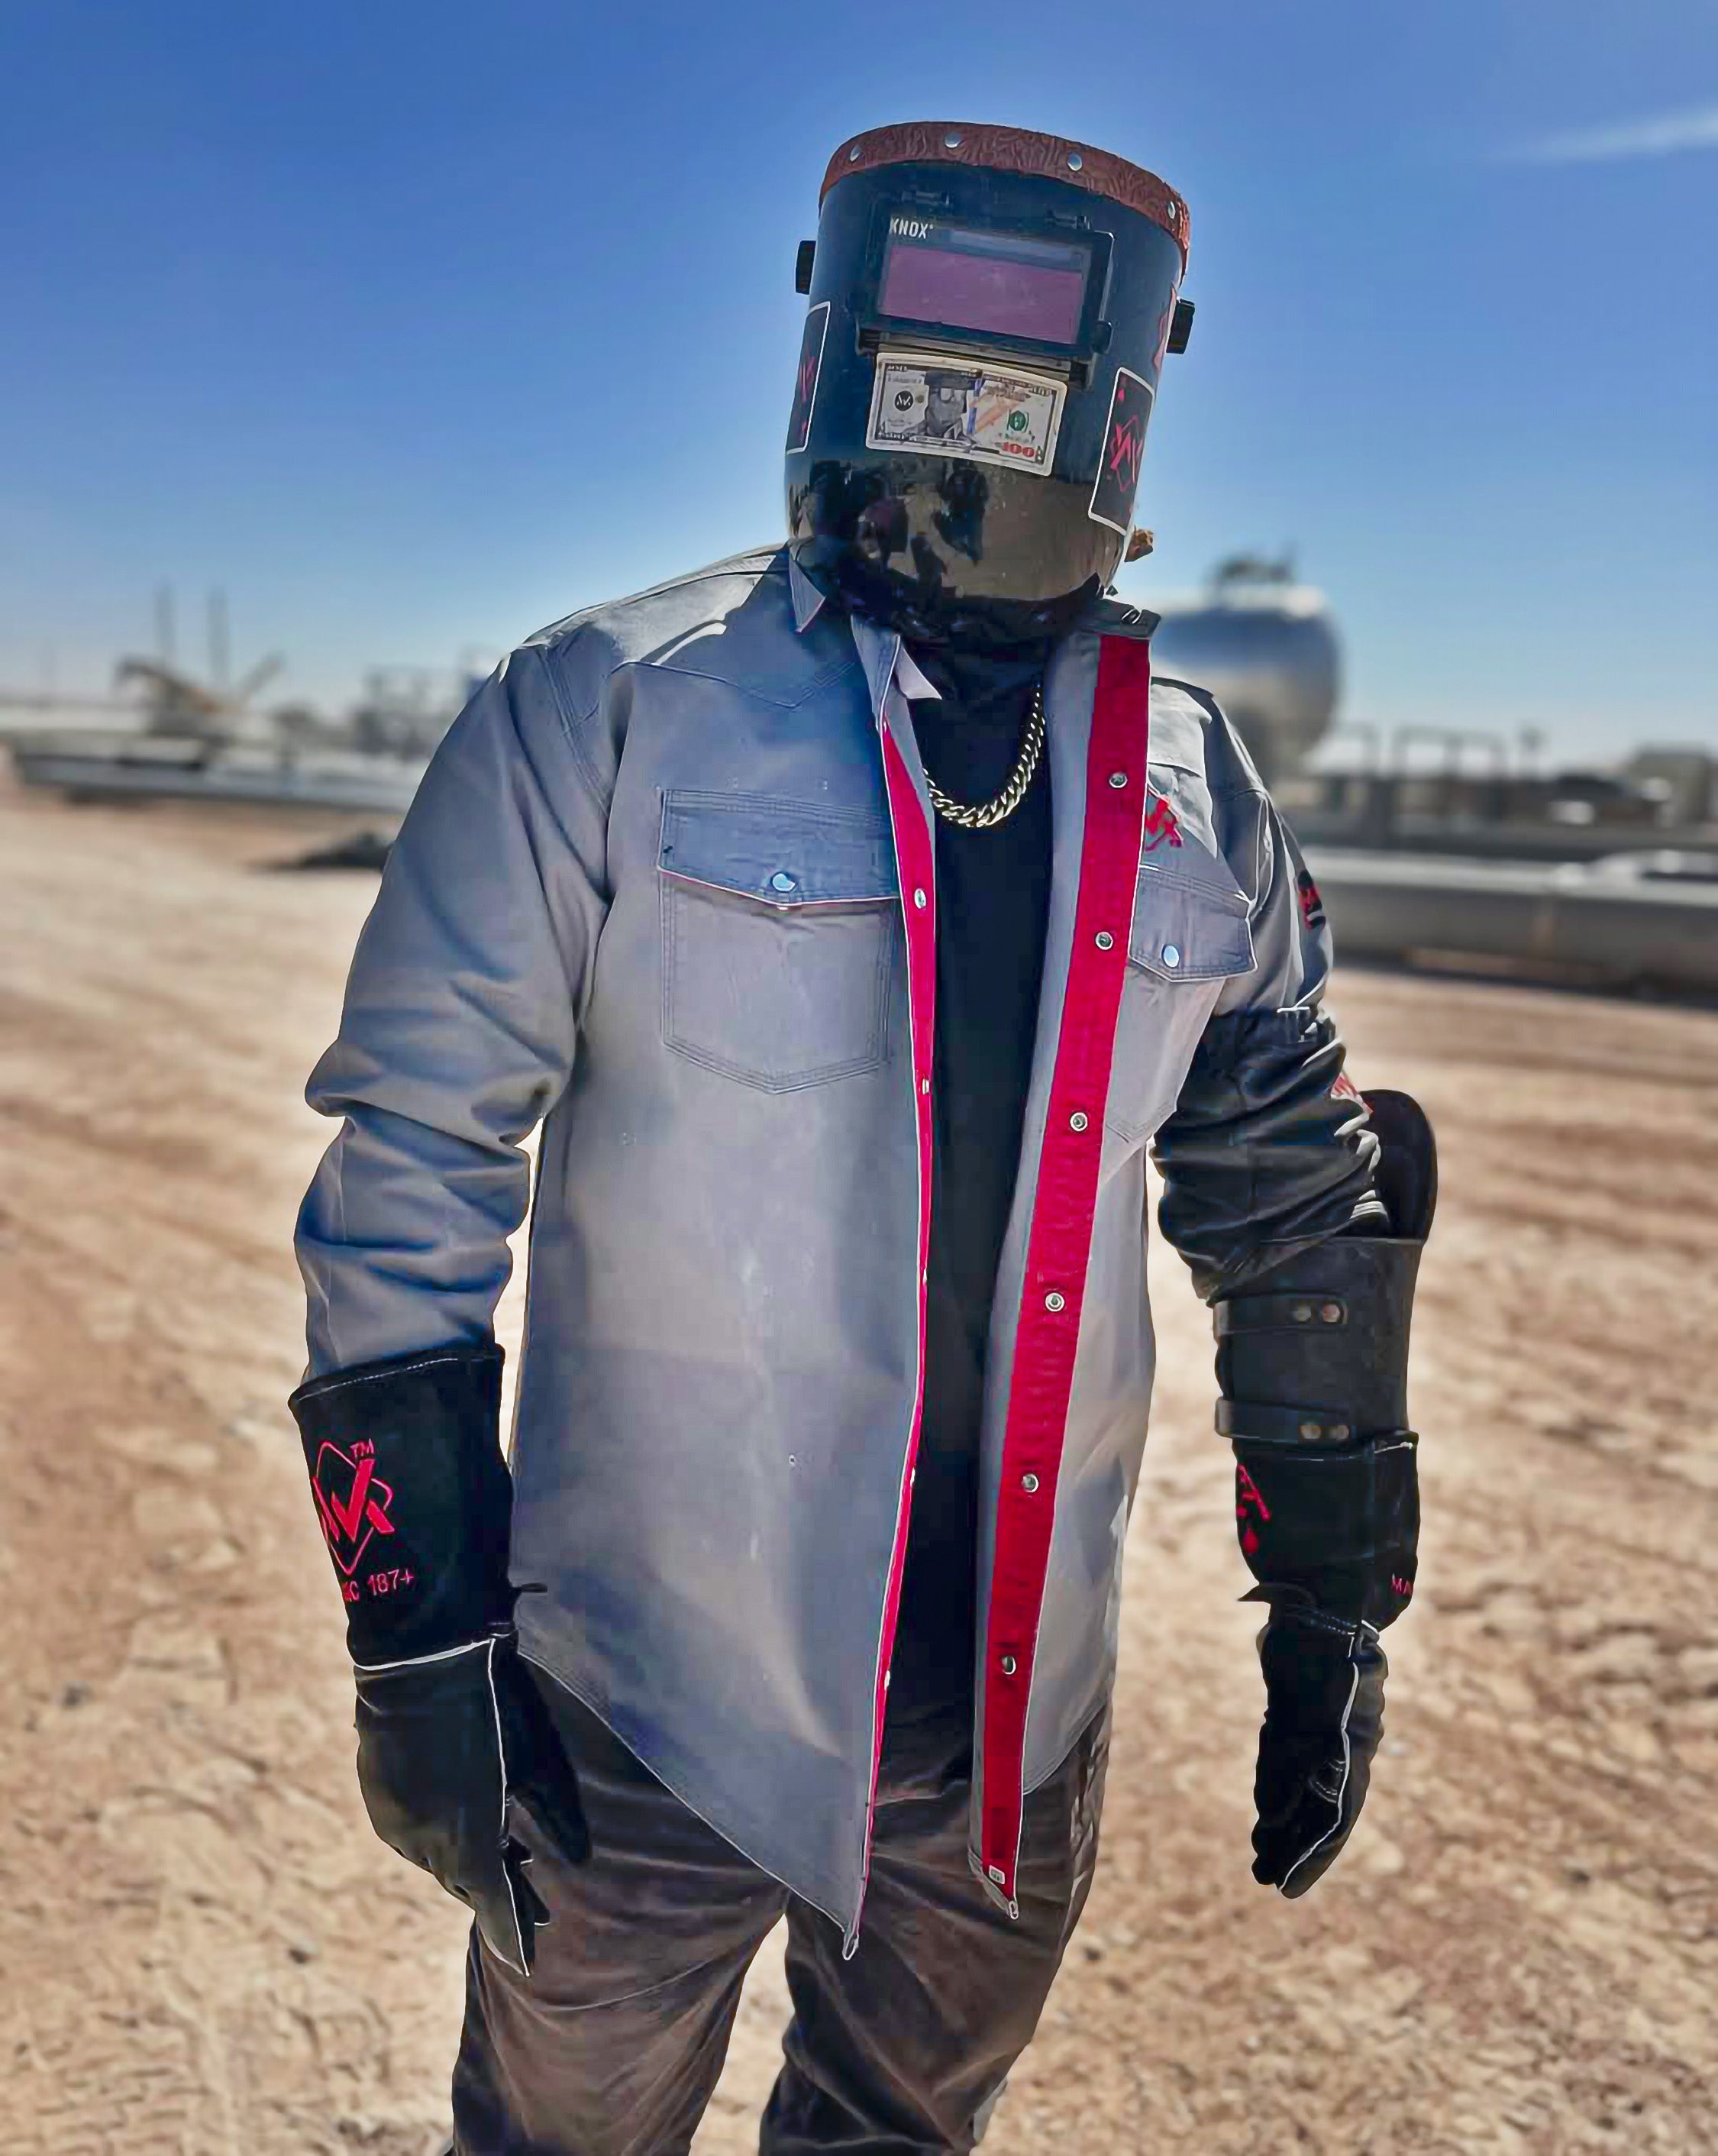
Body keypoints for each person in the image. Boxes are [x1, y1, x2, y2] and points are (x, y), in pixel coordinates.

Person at [289, 121, 1435, 2156]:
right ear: (829, 337)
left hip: (1011, 1718)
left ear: (1128, 390)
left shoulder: (1194, 782)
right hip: (639, 1699)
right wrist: (419, 1633)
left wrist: (1332, 1598)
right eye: (924, 353)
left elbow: (1295, 1193)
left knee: (900, 2132)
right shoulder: (600, 708)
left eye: (1024, 364)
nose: (967, 414)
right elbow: (413, 1157)